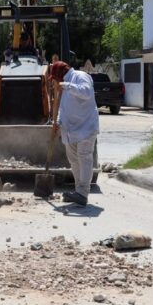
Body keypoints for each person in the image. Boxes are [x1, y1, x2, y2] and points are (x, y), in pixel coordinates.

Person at [48, 60, 99, 206]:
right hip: (70, 129)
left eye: (55, 78)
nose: (55, 81)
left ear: (61, 74)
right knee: (74, 160)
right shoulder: (64, 85)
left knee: (84, 158)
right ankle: (78, 192)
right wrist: (58, 122)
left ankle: (83, 193)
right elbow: (63, 108)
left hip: (86, 127)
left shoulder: (79, 76)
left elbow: (87, 93)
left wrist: (65, 85)